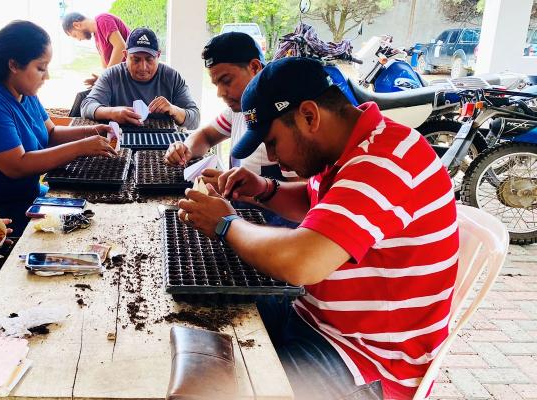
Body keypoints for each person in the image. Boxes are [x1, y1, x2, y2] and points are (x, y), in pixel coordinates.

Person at [177, 57, 458, 399]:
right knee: (197, 313)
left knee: (227, 389)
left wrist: (225, 224)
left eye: (273, 142)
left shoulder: (384, 162)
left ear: (309, 116)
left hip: (366, 363)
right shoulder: (348, 148)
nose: (272, 156)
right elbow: (317, 206)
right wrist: (264, 190)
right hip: (316, 319)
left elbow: (301, 262)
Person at [0, 21, 117, 235]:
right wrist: (81, 147)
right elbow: (18, 165)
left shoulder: (24, 92)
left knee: (93, 211)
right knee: (80, 230)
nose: (46, 76)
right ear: (14, 65)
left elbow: (51, 133)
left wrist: (95, 131)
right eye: (41, 68)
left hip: (24, 196)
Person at [163, 32, 298, 227]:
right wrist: (186, 149)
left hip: (274, 229)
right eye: (216, 84)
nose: (220, 93)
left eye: (226, 81)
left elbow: (300, 200)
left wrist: (234, 190)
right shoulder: (240, 107)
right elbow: (207, 135)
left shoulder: (282, 118)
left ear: (254, 67)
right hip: (240, 216)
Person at [81, 27, 200, 130]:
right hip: (121, 141)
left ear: (158, 55)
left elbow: (195, 119)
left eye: (149, 59)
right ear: (125, 55)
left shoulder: (172, 77)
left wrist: (174, 110)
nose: (143, 67)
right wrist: (113, 112)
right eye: (136, 59)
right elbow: (87, 106)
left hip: (164, 144)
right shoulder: (112, 75)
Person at [61, 11, 131, 86]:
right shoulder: (97, 39)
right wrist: (100, 79)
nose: (79, 39)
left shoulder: (103, 19)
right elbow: (106, 68)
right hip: (122, 77)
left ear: (77, 25)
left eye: (75, 35)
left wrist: (105, 78)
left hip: (132, 74)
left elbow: (121, 47)